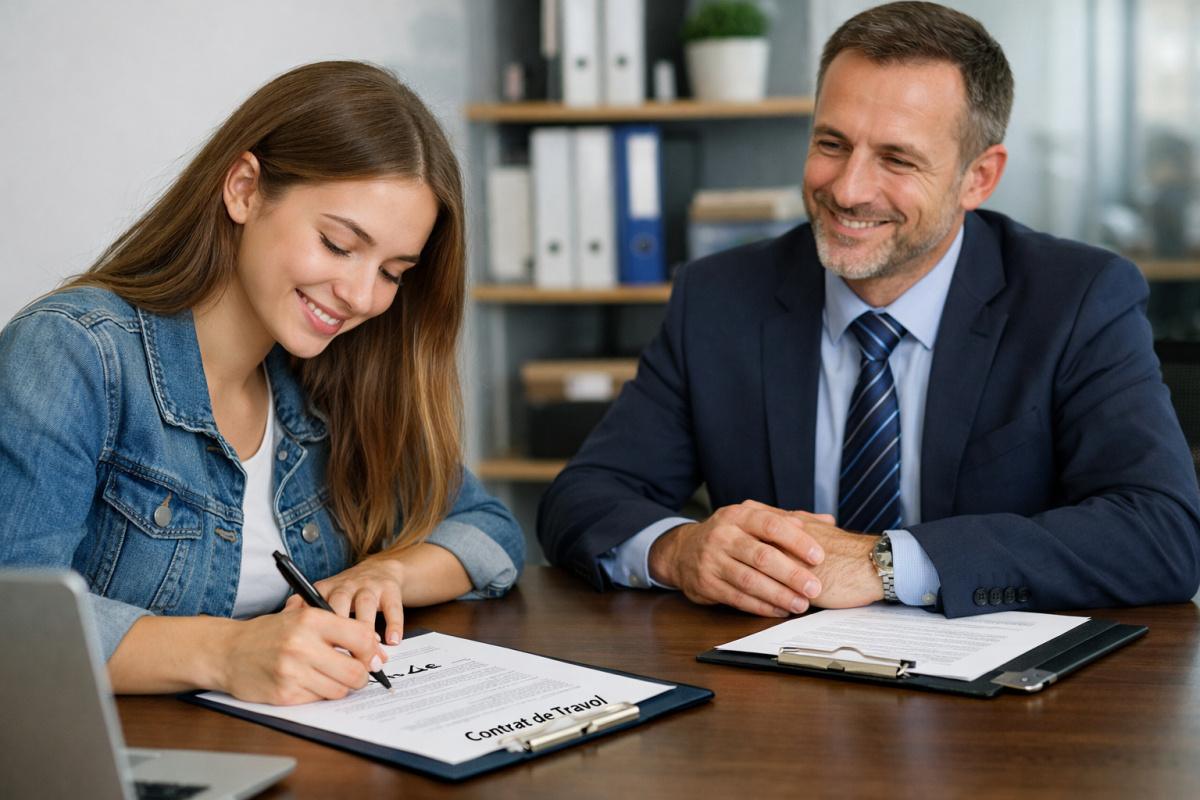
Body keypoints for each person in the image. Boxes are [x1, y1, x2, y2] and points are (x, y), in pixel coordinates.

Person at [538, 2, 1200, 619]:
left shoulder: (1078, 299)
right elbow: (583, 498)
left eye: (897, 158)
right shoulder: (719, 296)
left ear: (979, 178)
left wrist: (890, 563)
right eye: (831, 144)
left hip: (1000, 714)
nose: (848, 189)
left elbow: (1162, 532)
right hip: (770, 698)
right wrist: (677, 550)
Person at [0, 61, 524, 705]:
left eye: (393, 271)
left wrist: (386, 571)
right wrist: (225, 654)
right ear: (245, 190)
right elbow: (15, 626)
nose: (361, 296)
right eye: (338, 244)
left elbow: (487, 527)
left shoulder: (334, 378)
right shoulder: (74, 352)